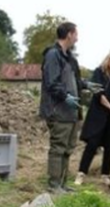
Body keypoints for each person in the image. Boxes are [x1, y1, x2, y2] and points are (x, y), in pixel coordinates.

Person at [39, 22, 93, 193]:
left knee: (68, 149)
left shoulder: (70, 57)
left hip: (71, 112)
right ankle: (54, 185)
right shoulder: (53, 55)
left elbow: (75, 81)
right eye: (76, 34)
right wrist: (65, 96)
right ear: (69, 34)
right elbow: (51, 82)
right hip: (58, 110)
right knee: (58, 148)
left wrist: (86, 84)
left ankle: (62, 184)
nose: (77, 37)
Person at [75, 49, 110, 185]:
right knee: (92, 144)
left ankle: (105, 174)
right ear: (108, 59)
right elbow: (98, 94)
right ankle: (81, 173)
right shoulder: (99, 73)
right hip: (99, 114)